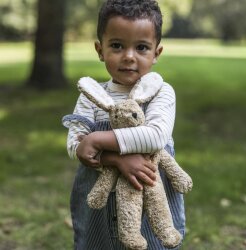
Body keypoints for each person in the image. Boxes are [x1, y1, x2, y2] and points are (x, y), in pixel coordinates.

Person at [62, 0, 185, 249]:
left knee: (152, 243)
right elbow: (77, 147)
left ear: (156, 53)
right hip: (99, 201)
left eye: (141, 47)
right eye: (117, 46)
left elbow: (155, 136)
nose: (129, 57)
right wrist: (117, 160)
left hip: (150, 196)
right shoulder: (91, 95)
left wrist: (97, 140)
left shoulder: (161, 93)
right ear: (100, 49)